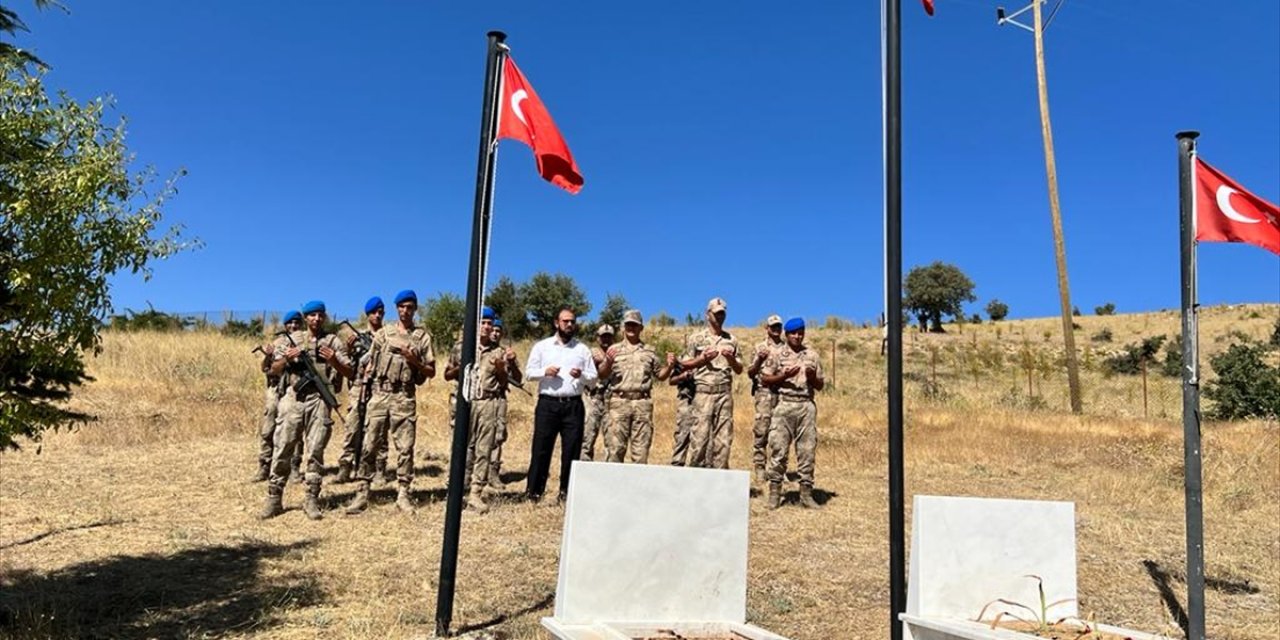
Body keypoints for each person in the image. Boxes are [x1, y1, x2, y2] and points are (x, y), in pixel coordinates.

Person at [261, 300, 352, 520]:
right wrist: (287, 359)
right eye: (312, 315)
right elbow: (272, 370)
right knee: (283, 446)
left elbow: (350, 371)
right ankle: (274, 498)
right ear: (306, 318)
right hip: (293, 398)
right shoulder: (291, 339)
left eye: (320, 315)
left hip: (319, 399)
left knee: (316, 450)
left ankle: (311, 499)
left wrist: (333, 361)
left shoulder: (332, 341)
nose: (316, 319)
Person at [346, 289, 435, 515]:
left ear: (415, 309)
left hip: (404, 396)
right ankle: (362, 492)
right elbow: (368, 363)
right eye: (402, 307)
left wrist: (413, 360)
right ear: (397, 309)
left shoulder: (422, 337)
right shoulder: (383, 334)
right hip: (380, 394)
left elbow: (431, 371)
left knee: (405, 448)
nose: (406, 311)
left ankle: (403, 494)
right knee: (369, 444)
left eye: (410, 307)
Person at [524, 307, 597, 504]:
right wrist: (544, 372)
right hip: (548, 404)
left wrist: (581, 375)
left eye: (572, 321)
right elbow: (529, 373)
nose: (569, 325)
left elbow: (593, 379)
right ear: (557, 323)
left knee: (572, 450)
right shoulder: (542, 347)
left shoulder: (582, 349)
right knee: (541, 449)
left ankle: (566, 493)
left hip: (573, 405)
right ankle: (534, 493)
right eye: (565, 321)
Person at [759, 317, 824, 509]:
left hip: (806, 405)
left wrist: (812, 377)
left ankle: (806, 493)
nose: (798, 336)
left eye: (801, 332)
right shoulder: (777, 354)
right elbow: (764, 379)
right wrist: (783, 376)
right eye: (794, 333)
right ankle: (774, 492)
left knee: (807, 451)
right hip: (784, 405)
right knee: (778, 450)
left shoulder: (812, 355)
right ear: (787, 335)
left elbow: (820, 385)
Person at [463, 313, 522, 514]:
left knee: (484, 448)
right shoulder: (463, 347)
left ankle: (476, 493)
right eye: (483, 323)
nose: (487, 327)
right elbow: (449, 373)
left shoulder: (500, 353)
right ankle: (459, 488)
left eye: (490, 324)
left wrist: (502, 369)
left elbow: (510, 381)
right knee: (463, 447)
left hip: (488, 402)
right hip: (466, 402)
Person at [597, 310, 672, 464]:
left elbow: (660, 375)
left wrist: (670, 366)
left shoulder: (649, 351)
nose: (631, 328)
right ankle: (614, 486)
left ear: (641, 328)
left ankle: (637, 487)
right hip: (618, 403)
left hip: (642, 405)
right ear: (623, 327)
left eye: (635, 325)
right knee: (615, 451)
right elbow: (602, 375)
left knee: (641, 452)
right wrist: (608, 362)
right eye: (628, 324)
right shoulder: (614, 350)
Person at [679, 297, 742, 469]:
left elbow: (739, 369)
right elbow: (683, 364)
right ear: (708, 314)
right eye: (716, 314)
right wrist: (701, 359)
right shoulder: (696, 339)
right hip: (703, 393)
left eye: (722, 314)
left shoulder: (732, 340)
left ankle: (719, 484)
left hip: (724, 394)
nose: (720, 317)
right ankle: (696, 480)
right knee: (699, 439)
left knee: (723, 442)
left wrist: (731, 359)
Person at [336, 296, 385, 484]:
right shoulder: (358, 337)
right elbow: (349, 365)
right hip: (358, 385)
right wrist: (349, 349)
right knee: (353, 427)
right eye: (374, 312)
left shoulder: (387, 336)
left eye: (380, 312)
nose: (378, 315)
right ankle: (345, 467)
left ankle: (378, 467)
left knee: (378, 429)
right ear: (368, 315)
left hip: (379, 386)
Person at [253, 310, 303, 482]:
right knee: (268, 428)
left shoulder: (303, 340)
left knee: (294, 430)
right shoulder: (277, 342)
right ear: (285, 324)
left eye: (297, 322)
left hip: (293, 389)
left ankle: (294, 467)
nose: (294, 326)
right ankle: (264, 466)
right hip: (275, 388)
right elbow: (265, 368)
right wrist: (268, 355)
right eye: (291, 322)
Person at [745, 314, 785, 484]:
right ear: (767, 328)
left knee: (781, 433)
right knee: (762, 430)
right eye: (773, 326)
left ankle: (776, 469)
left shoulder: (787, 348)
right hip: (764, 393)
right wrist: (759, 359)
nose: (776, 329)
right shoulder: (759, 347)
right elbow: (750, 373)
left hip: (782, 394)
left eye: (778, 326)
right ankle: (760, 467)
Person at [487, 318, 516, 490]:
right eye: (493, 329)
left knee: (498, 436)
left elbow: (518, 379)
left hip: (499, 398)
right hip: (481, 398)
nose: (495, 333)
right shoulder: (477, 349)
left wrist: (511, 362)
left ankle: (493, 473)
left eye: (499, 331)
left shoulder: (505, 353)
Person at [579, 324, 614, 460]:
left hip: (611, 400)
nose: (605, 339)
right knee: (587, 437)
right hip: (592, 399)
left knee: (612, 440)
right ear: (597, 338)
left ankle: (609, 472)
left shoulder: (617, 352)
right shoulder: (589, 352)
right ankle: (584, 469)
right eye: (603, 336)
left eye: (608, 336)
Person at [668, 352, 696, 467]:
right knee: (683, 434)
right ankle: (677, 464)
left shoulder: (709, 355)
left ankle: (700, 466)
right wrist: (682, 377)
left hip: (705, 400)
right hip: (687, 401)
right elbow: (671, 380)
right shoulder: (683, 358)